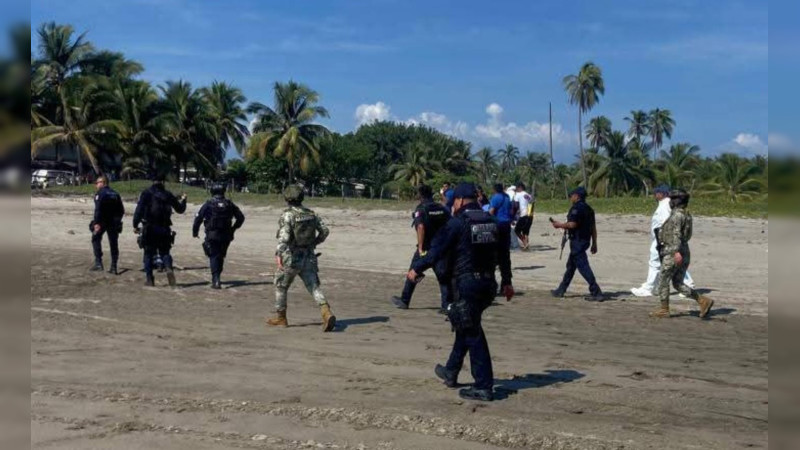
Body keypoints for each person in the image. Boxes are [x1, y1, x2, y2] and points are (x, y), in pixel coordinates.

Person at [408, 183, 500, 402]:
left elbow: (437, 251)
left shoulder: (458, 223)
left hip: (468, 284)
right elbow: (503, 252)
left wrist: (416, 268)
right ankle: (451, 370)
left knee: (472, 331)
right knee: (465, 323)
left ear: (458, 201)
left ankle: (484, 385)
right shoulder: (491, 220)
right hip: (489, 284)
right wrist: (507, 281)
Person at [267, 185, 336, 332]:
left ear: (287, 198)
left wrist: (278, 255)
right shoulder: (311, 214)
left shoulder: (288, 215)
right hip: (309, 256)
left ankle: (281, 317)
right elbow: (324, 231)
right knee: (313, 287)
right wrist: (314, 243)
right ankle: (326, 312)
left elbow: (284, 238)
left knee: (281, 286)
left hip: (291, 258)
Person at [650, 189, 715, 319]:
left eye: (672, 199)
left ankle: (664, 309)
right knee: (678, 283)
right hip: (684, 250)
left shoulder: (676, 216)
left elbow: (676, 235)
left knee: (663, 280)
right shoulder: (687, 215)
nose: (670, 201)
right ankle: (702, 300)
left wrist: (675, 252)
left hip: (674, 252)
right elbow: (687, 235)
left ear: (677, 201)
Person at [391, 185, 451, 313]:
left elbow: (420, 227)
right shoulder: (442, 208)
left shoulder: (421, 209)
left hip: (426, 248)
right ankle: (446, 305)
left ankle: (405, 300)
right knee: (443, 278)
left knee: (413, 271)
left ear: (420, 195)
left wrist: (421, 247)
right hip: (441, 248)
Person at [631, 185, 695, 297]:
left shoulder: (665, 204)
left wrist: (663, 240)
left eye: (657, 193)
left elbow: (667, 222)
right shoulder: (667, 204)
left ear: (663, 194)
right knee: (669, 263)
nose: (655, 195)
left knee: (655, 262)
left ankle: (649, 288)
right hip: (662, 238)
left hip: (661, 238)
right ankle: (686, 284)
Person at [133, 176, 187, 287]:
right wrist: (184, 200)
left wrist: (135, 224)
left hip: (150, 227)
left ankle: (149, 279)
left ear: (152, 182)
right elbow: (180, 209)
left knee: (148, 253)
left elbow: (139, 210)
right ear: (162, 182)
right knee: (165, 252)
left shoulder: (146, 193)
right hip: (164, 228)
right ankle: (168, 267)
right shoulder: (168, 194)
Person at [550, 187, 603, 300]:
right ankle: (561, 289)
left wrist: (559, 225)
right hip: (585, 240)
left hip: (577, 242)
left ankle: (596, 292)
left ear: (577, 196)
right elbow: (593, 228)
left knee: (584, 268)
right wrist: (594, 243)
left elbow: (572, 224)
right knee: (570, 267)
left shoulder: (576, 208)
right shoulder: (589, 209)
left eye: (571, 195)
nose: (570, 197)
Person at [192, 183, 245, 289]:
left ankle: (216, 280)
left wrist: (195, 232)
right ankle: (217, 277)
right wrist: (233, 229)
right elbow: (241, 218)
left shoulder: (208, 204)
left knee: (214, 255)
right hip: (226, 236)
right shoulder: (229, 204)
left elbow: (198, 218)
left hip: (212, 235)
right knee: (220, 256)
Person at [90, 175, 124, 274]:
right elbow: (121, 210)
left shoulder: (100, 194)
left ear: (103, 183)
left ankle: (98, 263)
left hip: (103, 221)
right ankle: (114, 266)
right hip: (113, 222)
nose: (96, 185)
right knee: (113, 243)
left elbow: (98, 209)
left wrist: (96, 223)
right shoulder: (115, 194)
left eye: (97, 183)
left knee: (95, 238)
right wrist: (117, 221)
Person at [489, 183, 514, 300]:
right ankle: (506, 284)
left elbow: (491, 212)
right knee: (505, 256)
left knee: (493, 256)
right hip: (506, 226)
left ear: (494, 189)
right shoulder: (507, 197)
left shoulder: (496, 198)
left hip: (497, 226)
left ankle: (492, 286)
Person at [513, 183, 534, 250]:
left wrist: (513, 214)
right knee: (526, 231)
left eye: (516, 188)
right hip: (530, 215)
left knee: (517, 230)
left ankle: (525, 243)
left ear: (520, 187)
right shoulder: (528, 195)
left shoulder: (518, 195)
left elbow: (516, 206)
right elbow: (533, 204)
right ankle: (526, 245)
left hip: (524, 215)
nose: (516, 190)